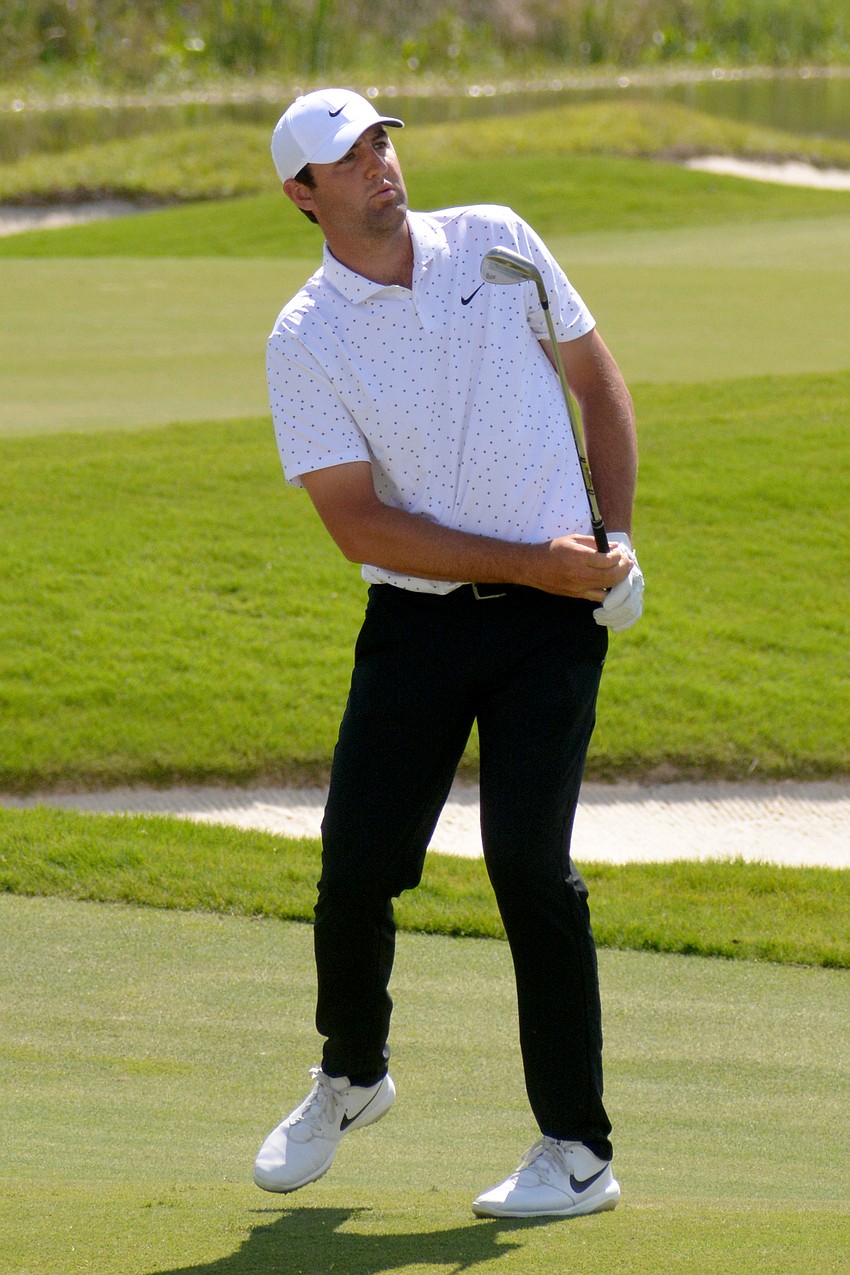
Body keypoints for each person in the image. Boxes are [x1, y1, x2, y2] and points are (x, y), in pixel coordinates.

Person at [254, 88, 643, 1219]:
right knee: (355, 866)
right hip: (420, 623)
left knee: (529, 866)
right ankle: (352, 1075)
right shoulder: (303, 336)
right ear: (302, 194)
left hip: (548, 627)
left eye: (381, 141)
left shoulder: (498, 241)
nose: (378, 164)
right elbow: (359, 526)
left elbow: (599, 387)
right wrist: (546, 564)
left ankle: (577, 1151)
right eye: (347, 155)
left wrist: (612, 545)